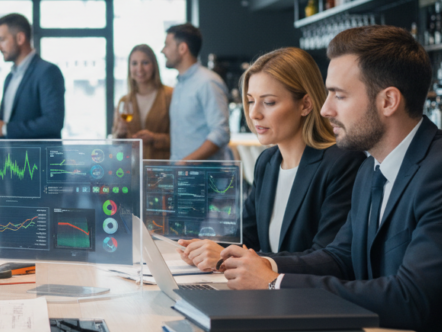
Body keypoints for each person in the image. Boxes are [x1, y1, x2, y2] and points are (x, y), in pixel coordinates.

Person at [215, 26, 442, 332]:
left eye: (339, 96)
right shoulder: (371, 168)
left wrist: (275, 284)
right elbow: (340, 257)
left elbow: (410, 299)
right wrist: (265, 266)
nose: (325, 110)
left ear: (388, 101)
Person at [177, 47, 363, 268]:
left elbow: (328, 257)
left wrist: (250, 262)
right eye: (251, 100)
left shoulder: (342, 163)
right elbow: (247, 237)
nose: (254, 114)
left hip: (308, 298)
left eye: (269, 102)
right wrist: (205, 248)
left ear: (305, 104)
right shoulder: (268, 162)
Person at [0, 13, 65, 139]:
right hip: (11, 158)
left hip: (37, 158)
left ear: (20, 38)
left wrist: (4, 129)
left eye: (2, 40)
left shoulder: (48, 72)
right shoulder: (9, 77)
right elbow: (6, 123)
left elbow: (53, 123)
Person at [161, 24, 230, 160]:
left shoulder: (207, 82)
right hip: (184, 175)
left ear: (182, 48)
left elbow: (221, 133)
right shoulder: (180, 84)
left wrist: (186, 162)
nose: (163, 51)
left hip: (203, 177)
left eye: (167, 45)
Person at [112, 45, 172, 159]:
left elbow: (181, 139)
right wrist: (120, 133)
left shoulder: (169, 95)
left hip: (161, 166)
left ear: (154, 65)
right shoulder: (124, 100)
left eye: (145, 62)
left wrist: (154, 138)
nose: (139, 69)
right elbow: (116, 144)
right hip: (132, 167)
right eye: (134, 63)